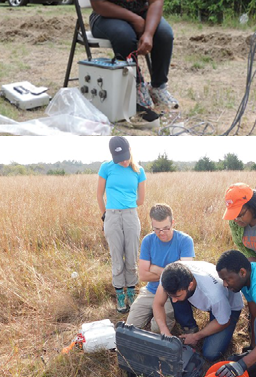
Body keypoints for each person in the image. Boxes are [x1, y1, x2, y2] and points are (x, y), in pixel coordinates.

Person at [153, 261, 243, 362]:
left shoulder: (215, 295)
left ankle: (195, 333)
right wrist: (164, 330)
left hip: (229, 307)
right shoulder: (169, 274)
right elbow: (158, 304)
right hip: (205, 297)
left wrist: (196, 336)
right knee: (178, 298)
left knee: (210, 353)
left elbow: (224, 322)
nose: (173, 300)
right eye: (171, 295)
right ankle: (190, 327)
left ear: (190, 285)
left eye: (177, 295)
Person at [126, 203, 195, 332]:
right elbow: (143, 275)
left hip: (172, 293)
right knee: (130, 327)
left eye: (166, 228)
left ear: (173, 222)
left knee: (157, 331)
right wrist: (169, 272)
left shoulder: (185, 241)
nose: (161, 233)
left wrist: (155, 268)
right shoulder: (148, 240)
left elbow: (182, 276)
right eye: (157, 229)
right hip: (150, 290)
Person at [97, 136, 145, 313]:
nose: (124, 161)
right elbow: (99, 195)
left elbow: (141, 200)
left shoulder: (139, 170)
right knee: (117, 258)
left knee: (132, 256)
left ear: (130, 150)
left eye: (125, 156)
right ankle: (120, 296)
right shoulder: (106, 167)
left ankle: (131, 293)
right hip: (111, 216)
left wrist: (126, 203)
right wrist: (105, 216)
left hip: (131, 215)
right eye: (119, 159)